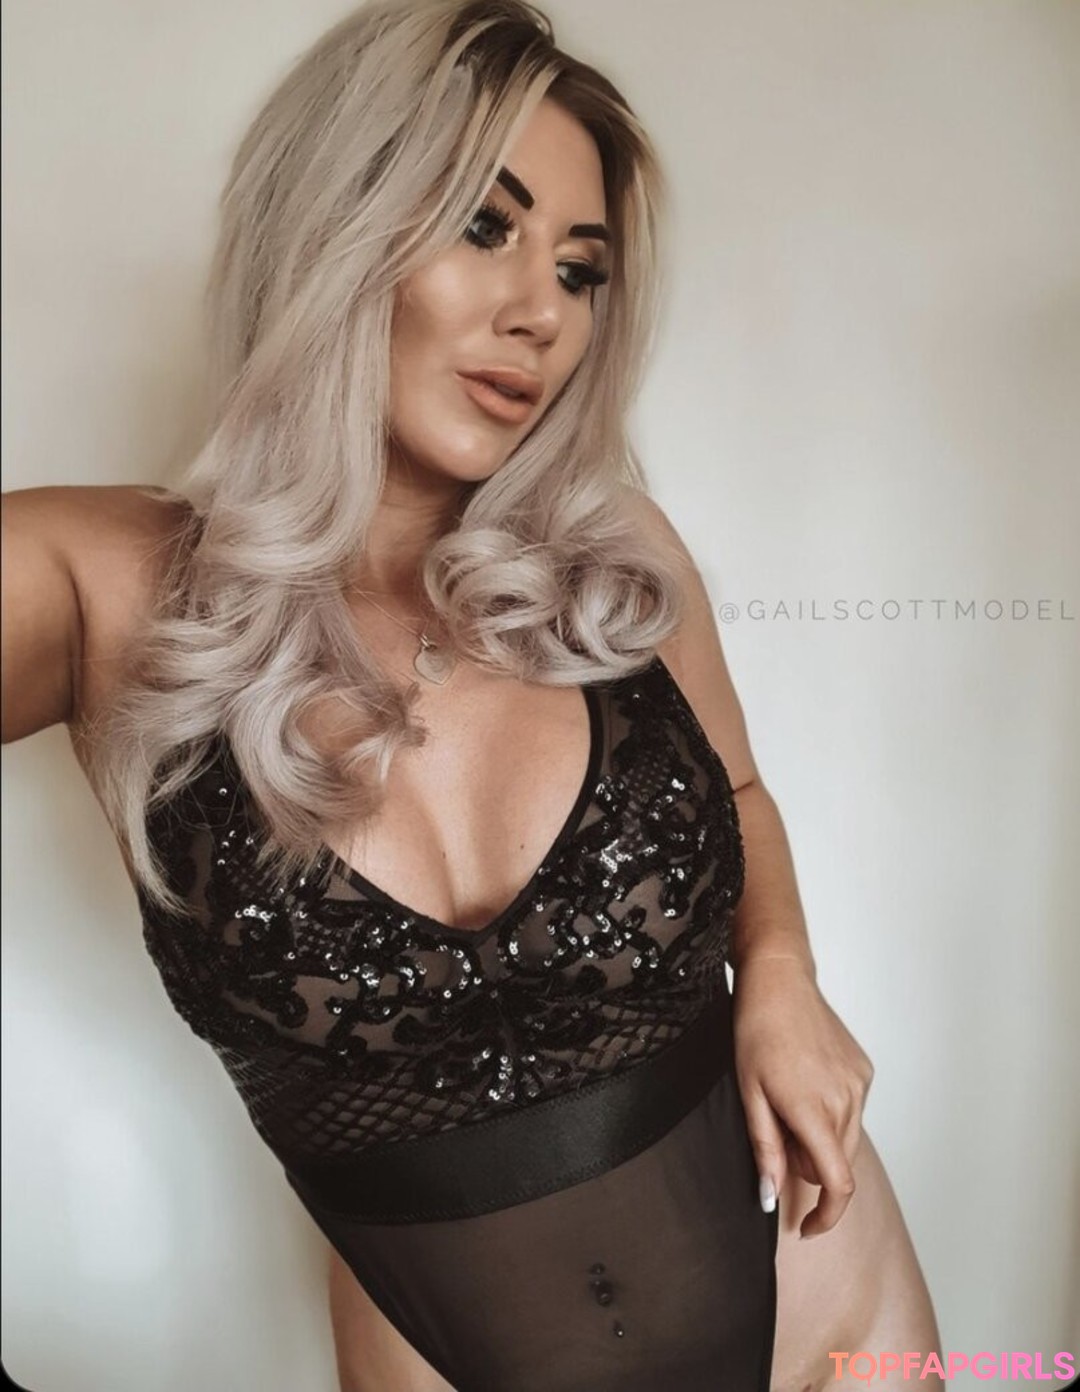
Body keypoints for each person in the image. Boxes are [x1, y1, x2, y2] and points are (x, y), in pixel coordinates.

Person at [1, 1, 942, 1388]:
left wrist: (785, 976)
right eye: (484, 226)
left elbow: (738, 790)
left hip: (832, 1316)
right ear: (334, 225)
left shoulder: (609, 565)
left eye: (580, 270)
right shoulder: (105, 583)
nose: (541, 314)